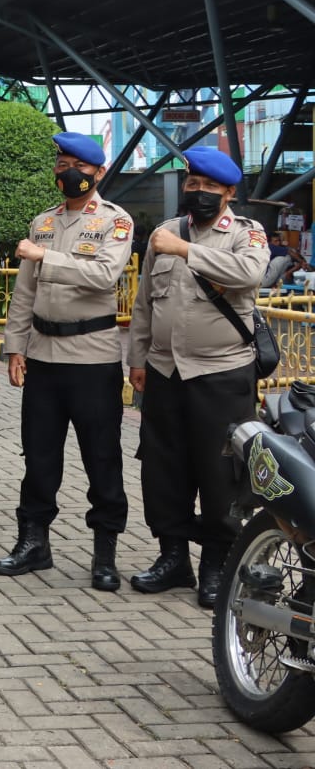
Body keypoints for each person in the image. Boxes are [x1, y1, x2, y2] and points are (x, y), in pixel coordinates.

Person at [128, 146, 269, 607]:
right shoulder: (166, 232)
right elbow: (146, 301)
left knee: (219, 474)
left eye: (211, 187)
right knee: (163, 468)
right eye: (194, 184)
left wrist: (187, 251)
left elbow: (249, 275)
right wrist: (137, 360)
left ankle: (216, 567)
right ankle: (172, 559)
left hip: (222, 373)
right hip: (165, 370)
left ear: (229, 193)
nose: (201, 192)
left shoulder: (246, 235)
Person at [0, 132, 132, 592]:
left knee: (101, 457)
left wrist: (44, 256)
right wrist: (14, 347)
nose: (66, 171)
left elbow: (103, 275)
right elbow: (25, 293)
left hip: (93, 357)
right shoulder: (43, 223)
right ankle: (34, 542)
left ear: (98, 173)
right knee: (38, 455)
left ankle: (105, 553)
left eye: (76, 164)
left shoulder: (115, 222)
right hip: (43, 356)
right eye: (61, 163)